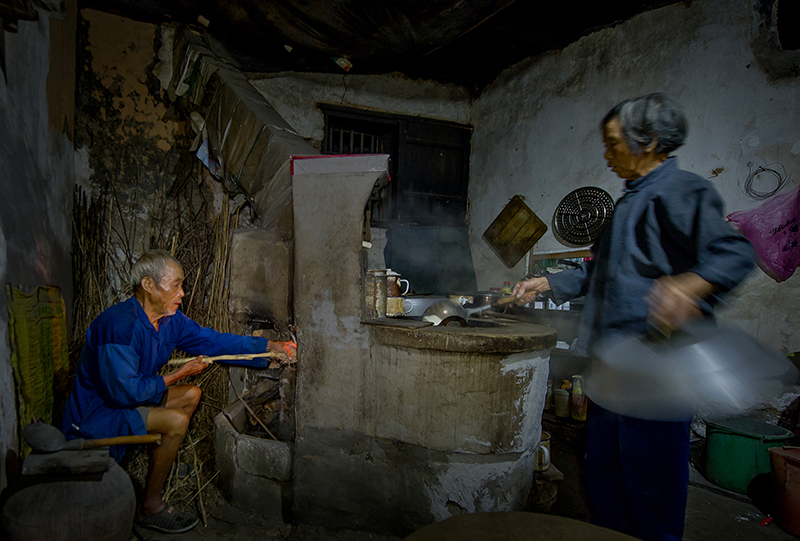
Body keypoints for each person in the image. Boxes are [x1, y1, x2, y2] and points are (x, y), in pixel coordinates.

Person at [512, 93, 755, 541]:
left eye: (613, 143)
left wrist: (691, 284)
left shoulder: (681, 191)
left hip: (657, 374)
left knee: (650, 494)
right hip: (612, 373)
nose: (606, 155)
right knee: (604, 485)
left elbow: (735, 251)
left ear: (650, 141)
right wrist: (544, 282)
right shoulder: (627, 203)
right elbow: (599, 271)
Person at [62, 249, 296, 534]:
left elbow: (212, 341)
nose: (182, 293)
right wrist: (178, 374)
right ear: (148, 285)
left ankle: (149, 461)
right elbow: (126, 393)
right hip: (99, 415)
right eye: (175, 285)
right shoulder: (119, 326)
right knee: (177, 421)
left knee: (191, 395)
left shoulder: (169, 320)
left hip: (130, 401)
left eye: (182, 285)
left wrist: (269, 346)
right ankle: (150, 506)